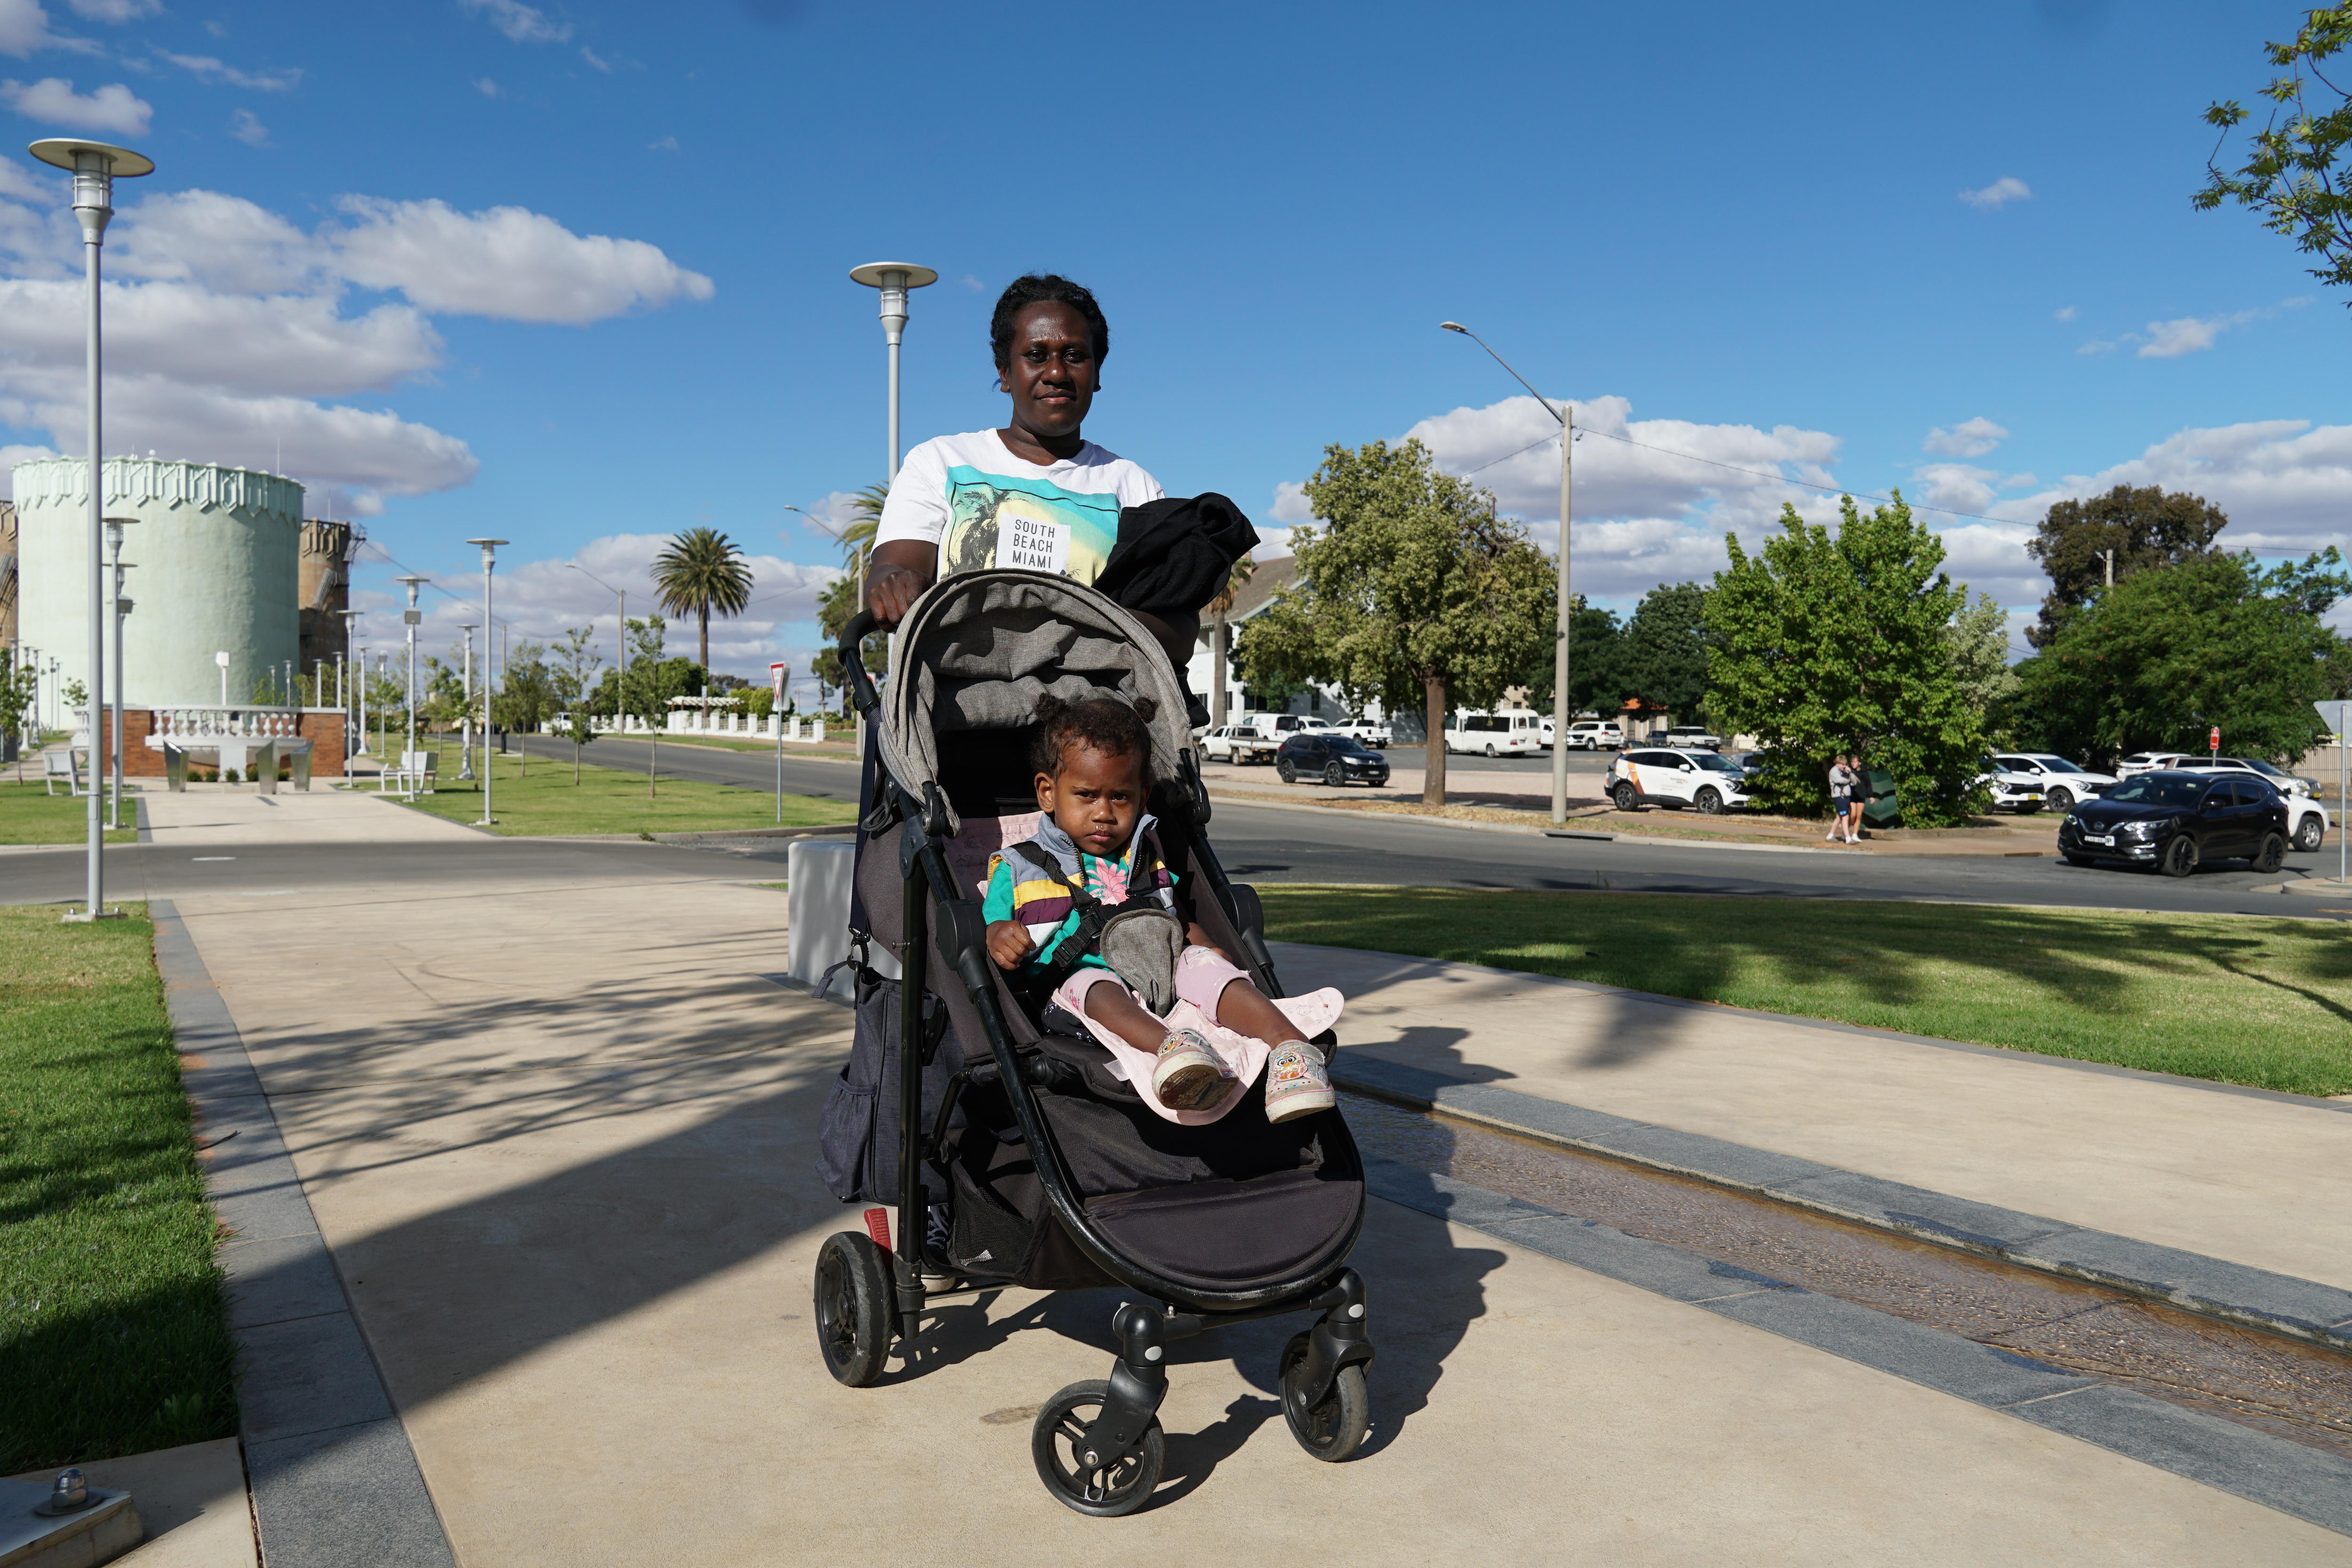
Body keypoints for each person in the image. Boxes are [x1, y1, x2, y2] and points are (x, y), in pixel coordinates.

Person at [983, 693, 1339, 1124]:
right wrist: (999, 934)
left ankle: (1291, 1048)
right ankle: (1175, 1049)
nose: (1103, 813)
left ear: (1143, 796)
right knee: (1094, 983)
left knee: (1207, 965)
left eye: (1120, 798)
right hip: (1076, 987)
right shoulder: (1019, 864)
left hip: (1160, 967)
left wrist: (1207, 951)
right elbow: (991, 923)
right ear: (1047, 792)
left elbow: (1173, 915)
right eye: (1086, 795)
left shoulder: (1144, 852)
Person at [865, 273, 1201, 670]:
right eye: (1036, 355)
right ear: (1005, 373)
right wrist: (894, 585)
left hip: (1095, 716)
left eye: (1075, 356)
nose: (1057, 372)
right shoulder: (941, 461)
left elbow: (1180, 632)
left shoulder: (1134, 487)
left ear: (1097, 375)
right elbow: (892, 570)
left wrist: (1052, 621)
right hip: (957, 715)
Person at [1827, 753, 1855, 844]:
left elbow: (1854, 782)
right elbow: (1840, 781)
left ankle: (1830, 836)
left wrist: (1850, 773)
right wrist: (1848, 780)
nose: (1844, 766)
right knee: (1845, 817)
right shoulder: (1834, 771)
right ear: (1838, 763)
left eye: (1845, 764)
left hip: (1846, 796)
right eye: (1843, 764)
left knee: (1839, 817)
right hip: (1839, 797)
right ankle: (1848, 838)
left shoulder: (1844, 771)